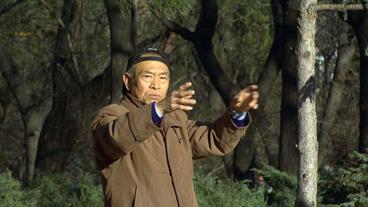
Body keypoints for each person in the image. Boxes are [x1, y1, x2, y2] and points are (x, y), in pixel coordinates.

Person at [91, 48, 259, 207]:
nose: (156, 85)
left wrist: (236, 112)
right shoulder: (111, 115)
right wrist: (158, 109)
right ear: (128, 81)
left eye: (163, 78)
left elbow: (214, 139)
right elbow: (115, 139)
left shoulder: (176, 120)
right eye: (147, 76)